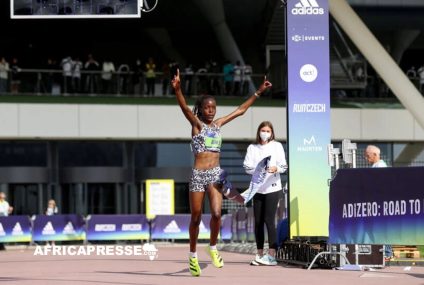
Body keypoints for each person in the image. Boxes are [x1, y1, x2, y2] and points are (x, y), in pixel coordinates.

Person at [171, 69, 272, 277]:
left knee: (217, 214)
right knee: (196, 217)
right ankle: (192, 255)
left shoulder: (218, 125)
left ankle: (213, 247)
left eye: (213, 108)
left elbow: (240, 111)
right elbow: (184, 108)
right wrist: (178, 89)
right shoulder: (196, 125)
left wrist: (259, 91)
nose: (211, 111)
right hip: (198, 175)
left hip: (216, 174)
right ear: (200, 109)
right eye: (207, 107)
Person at [243, 121, 287, 266]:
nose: (265, 133)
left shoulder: (277, 146)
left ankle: (272, 255)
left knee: (269, 220)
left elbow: (284, 166)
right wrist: (258, 169)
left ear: (272, 133)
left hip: (273, 188)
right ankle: (259, 254)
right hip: (257, 188)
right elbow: (247, 167)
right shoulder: (252, 147)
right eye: (263, 130)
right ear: (258, 131)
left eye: (268, 131)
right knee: (258, 222)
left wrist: (276, 169)